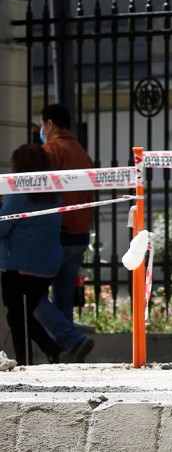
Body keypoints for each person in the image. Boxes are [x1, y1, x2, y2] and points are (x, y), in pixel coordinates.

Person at [33, 103, 95, 363]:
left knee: (30, 294)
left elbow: (39, 193)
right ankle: (68, 354)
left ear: (49, 124)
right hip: (80, 234)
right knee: (64, 298)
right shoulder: (82, 154)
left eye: (41, 125)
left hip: (57, 233)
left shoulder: (50, 151)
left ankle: (72, 340)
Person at [0, 144, 65, 365]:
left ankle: (25, 360)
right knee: (24, 315)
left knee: (17, 317)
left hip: (19, 266)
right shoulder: (53, 194)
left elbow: (2, 226)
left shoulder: (20, 193)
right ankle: (51, 348)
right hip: (46, 267)